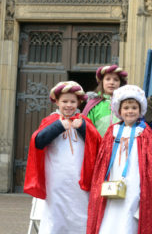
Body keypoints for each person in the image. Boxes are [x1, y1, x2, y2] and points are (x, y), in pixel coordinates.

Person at [24, 81, 102, 234]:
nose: (68, 105)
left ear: (79, 102)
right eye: (64, 101)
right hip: (56, 181)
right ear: (57, 102)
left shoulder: (84, 122)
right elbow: (38, 141)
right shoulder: (51, 121)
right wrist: (59, 126)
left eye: (72, 101)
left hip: (79, 181)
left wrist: (83, 128)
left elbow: (97, 144)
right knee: (55, 216)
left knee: (80, 215)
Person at [87, 85, 152, 234]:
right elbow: (102, 160)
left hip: (134, 179)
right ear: (119, 111)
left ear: (140, 111)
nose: (130, 111)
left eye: (134, 108)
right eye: (126, 108)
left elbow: (151, 163)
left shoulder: (144, 132)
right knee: (110, 211)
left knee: (129, 212)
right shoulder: (112, 131)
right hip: (113, 177)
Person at [82, 65, 128, 136]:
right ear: (102, 82)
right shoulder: (93, 105)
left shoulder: (126, 103)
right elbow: (86, 129)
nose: (111, 82)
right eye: (108, 79)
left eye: (116, 80)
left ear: (120, 83)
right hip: (99, 145)